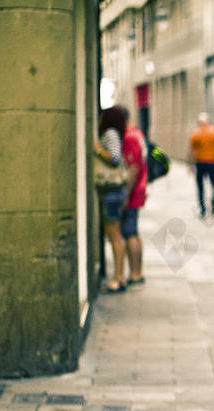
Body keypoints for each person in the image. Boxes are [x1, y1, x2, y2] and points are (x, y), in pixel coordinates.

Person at [93, 106, 129, 293]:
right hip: (112, 191)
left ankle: (118, 278)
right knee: (114, 234)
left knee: (115, 235)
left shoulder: (110, 133)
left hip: (111, 191)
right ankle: (119, 277)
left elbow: (114, 158)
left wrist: (98, 150)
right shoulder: (113, 133)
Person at [118, 106, 148, 286]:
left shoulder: (129, 136)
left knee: (130, 232)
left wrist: (126, 195)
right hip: (139, 189)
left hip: (133, 191)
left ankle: (135, 273)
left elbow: (133, 168)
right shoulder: (137, 133)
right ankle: (138, 271)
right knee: (133, 231)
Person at [189, 112, 214, 218]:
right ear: (208, 121)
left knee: (200, 187)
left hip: (200, 162)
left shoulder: (195, 133)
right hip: (213, 162)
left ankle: (203, 209)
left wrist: (190, 164)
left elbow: (192, 151)